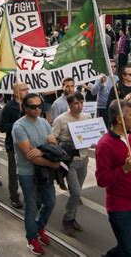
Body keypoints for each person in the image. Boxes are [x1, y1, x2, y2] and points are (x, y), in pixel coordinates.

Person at [12, 93, 60, 255]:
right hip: (27, 174)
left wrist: (40, 150)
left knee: (51, 202)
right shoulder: (19, 127)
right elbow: (29, 155)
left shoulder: (45, 122)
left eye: (40, 106)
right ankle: (31, 238)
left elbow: (53, 144)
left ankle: (39, 228)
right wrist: (52, 162)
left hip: (44, 173)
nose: (37, 109)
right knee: (31, 207)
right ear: (25, 107)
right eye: (33, 107)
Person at [95, 99, 131, 257]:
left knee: (130, 246)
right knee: (129, 252)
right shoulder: (104, 145)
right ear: (119, 119)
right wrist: (123, 169)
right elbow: (102, 180)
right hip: (119, 208)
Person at [52, 92, 91, 237]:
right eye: (76, 103)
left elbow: (91, 135)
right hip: (70, 162)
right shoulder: (61, 119)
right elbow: (52, 139)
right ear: (69, 104)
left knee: (78, 191)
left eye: (81, 102)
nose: (80, 106)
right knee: (76, 193)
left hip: (84, 159)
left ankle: (73, 218)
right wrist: (66, 146)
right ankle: (67, 219)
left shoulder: (87, 117)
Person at [0, 82, 29, 209]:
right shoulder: (9, 108)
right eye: (24, 89)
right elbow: (2, 127)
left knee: (28, 172)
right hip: (13, 145)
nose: (27, 91)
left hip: (28, 143)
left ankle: (31, 195)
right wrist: (18, 125)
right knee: (13, 172)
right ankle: (14, 197)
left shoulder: (29, 105)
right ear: (16, 92)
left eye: (27, 88)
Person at [91, 60, 118, 128]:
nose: (113, 68)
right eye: (111, 66)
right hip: (102, 107)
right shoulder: (100, 77)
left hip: (113, 107)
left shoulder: (116, 78)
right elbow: (93, 92)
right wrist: (100, 82)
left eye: (114, 66)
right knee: (103, 129)